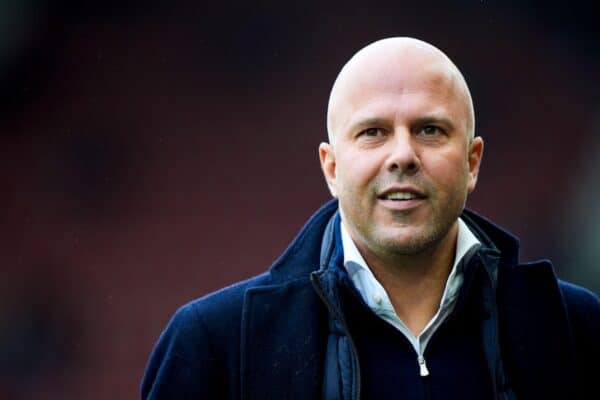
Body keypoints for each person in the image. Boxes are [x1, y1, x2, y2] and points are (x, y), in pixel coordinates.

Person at [140, 37, 599, 399]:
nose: (403, 155)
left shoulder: (577, 329)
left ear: (472, 161)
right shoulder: (214, 346)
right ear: (332, 167)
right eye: (373, 132)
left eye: (430, 130)